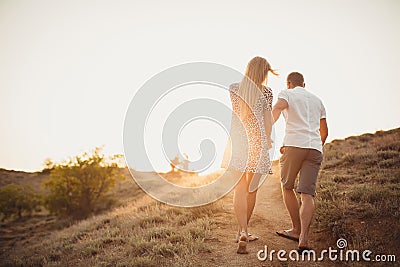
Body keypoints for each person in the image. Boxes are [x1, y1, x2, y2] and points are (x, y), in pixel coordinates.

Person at [221, 56, 277, 254]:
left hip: (238, 142)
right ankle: (244, 230)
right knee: (252, 190)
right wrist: (268, 139)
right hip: (257, 143)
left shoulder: (234, 88)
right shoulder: (267, 92)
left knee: (239, 189)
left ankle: (242, 230)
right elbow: (268, 120)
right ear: (264, 72)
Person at [272, 72, 328, 251]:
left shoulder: (286, 93)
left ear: (289, 83)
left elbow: (277, 108)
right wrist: (314, 146)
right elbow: (324, 131)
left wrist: (265, 128)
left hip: (294, 145)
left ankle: (296, 229)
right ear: (304, 84)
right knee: (307, 194)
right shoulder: (318, 100)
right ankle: (304, 239)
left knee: (287, 186)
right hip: (314, 148)